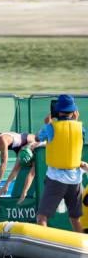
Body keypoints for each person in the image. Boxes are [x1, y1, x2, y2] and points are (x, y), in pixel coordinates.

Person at [33, 95, 85, 232]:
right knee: (75, 219)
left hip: (56, 179)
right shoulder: (81, 128)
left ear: (57, 110)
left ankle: (43, 244)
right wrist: (75, 121)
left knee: (42, 217)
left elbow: (37, 138)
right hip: (75, 180)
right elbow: (72, 137)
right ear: (74, 111)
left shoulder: (51, 128)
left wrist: (46, 124)